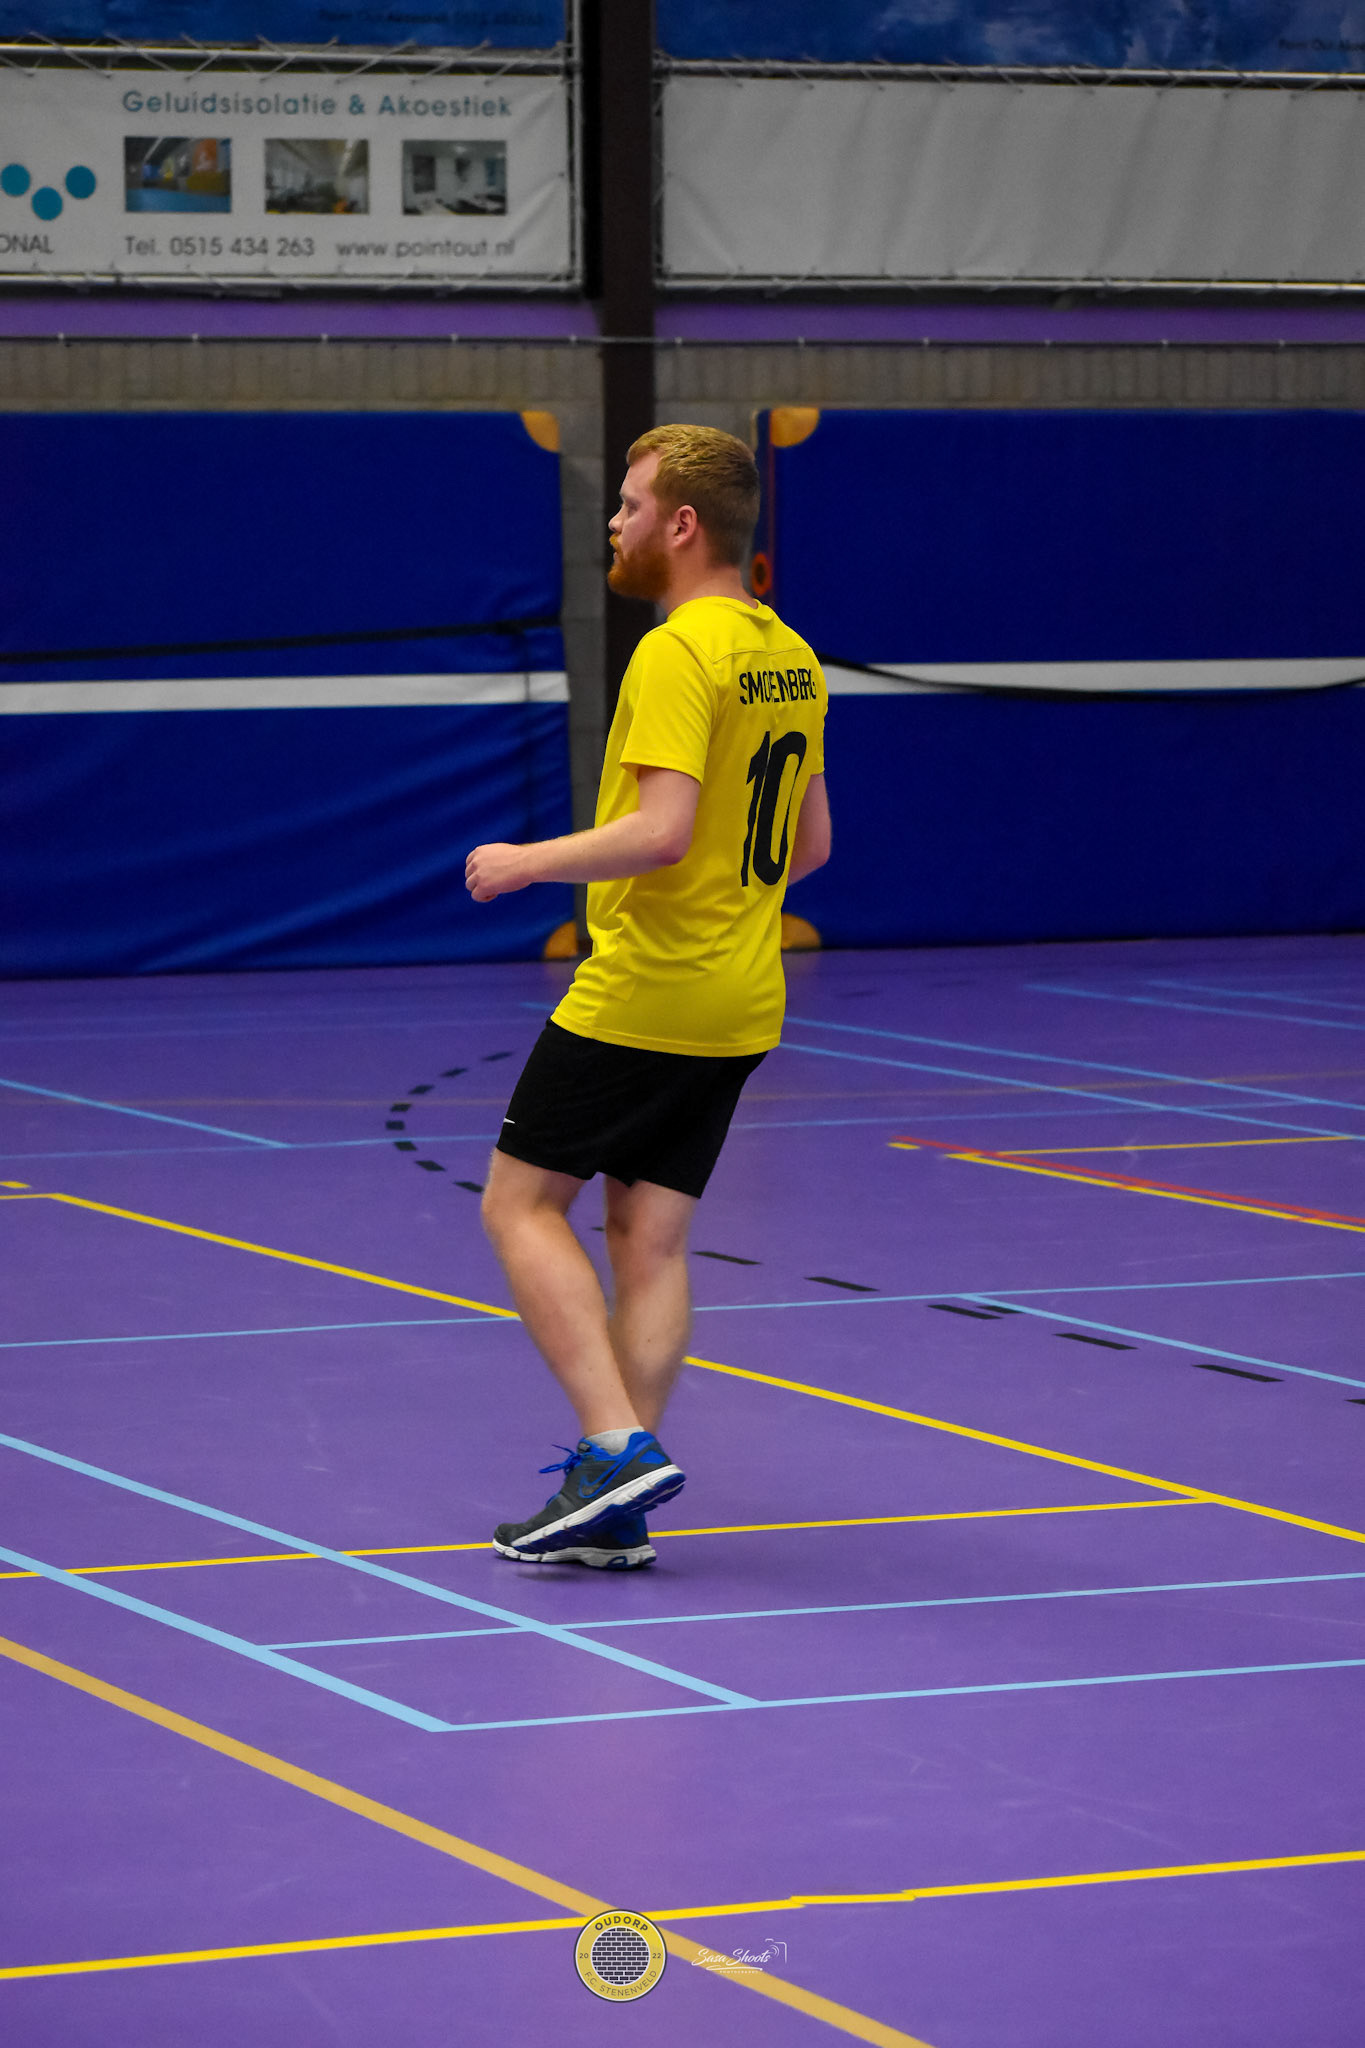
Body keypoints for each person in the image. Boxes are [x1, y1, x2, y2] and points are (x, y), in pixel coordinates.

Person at [465, 423, 830, 1569]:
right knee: (649, 1239)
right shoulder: (791, 655)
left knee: (519, 1205)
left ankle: (615, 1443)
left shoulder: (678, 652)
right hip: (742, 999)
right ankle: (613, 1509)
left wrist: (526, 862)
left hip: (646, 989)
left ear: (681, 523)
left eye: (627, 504)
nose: (613, 521)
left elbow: (664, 831)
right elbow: (811, 843)